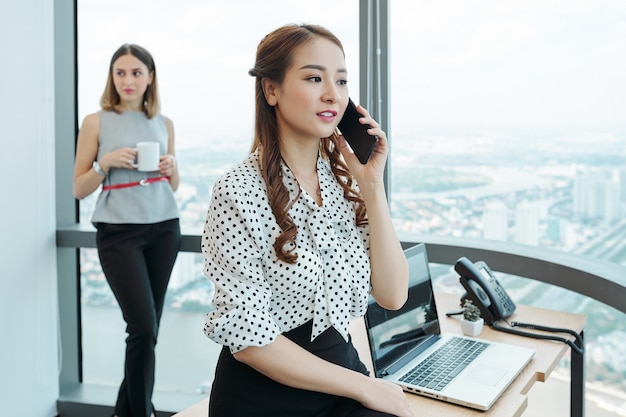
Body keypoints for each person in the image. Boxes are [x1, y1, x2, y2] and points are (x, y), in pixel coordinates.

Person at [201, 24, 415, 417]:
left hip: (341, 371)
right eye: (314, 78)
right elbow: (249, 341)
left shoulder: (343, 182)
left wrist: (372, 184)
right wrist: (364, 386)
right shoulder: (237, 192)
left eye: (342, 80)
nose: (333, 93)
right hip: (264, 397)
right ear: (271, 90)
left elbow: (393, 294)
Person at [73, 43, 181, 417]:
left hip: (165, 228)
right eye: (120, 72)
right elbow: (78, 188)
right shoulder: (96, 121)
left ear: (150, 77)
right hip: (119, 233)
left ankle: (127, 411)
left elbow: (174, 185)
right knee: (142, 327)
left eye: (136, 72)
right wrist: (105, 164)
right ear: (112, 77)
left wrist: (170, 167)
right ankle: (141, 413)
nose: (128, 80)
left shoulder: (164, 123)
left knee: (146, 333)